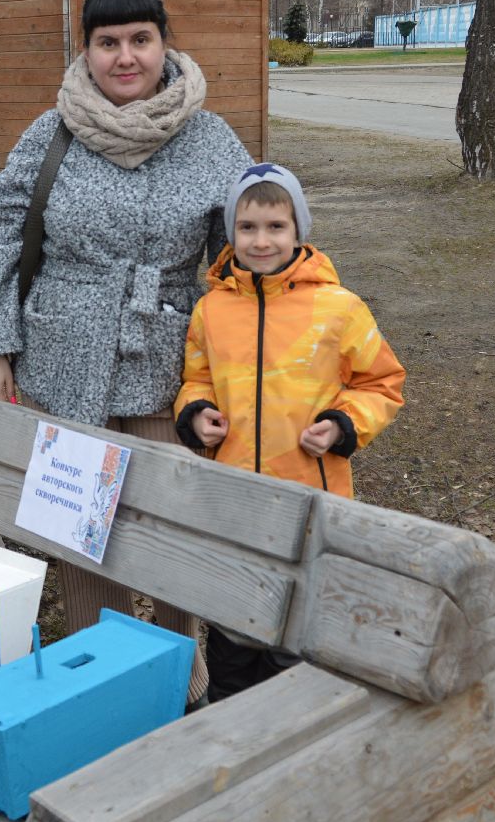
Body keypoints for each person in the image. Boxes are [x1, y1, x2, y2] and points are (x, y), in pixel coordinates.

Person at [0, 0, 253, 705]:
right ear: (86, 50)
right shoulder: (52, 131)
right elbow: (2, 229)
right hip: (67, 357)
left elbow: (240, 256)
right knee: (80, 526)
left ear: (164, 44)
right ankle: (101, 675)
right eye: (107, 43)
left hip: (172, 361)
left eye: (140, 40)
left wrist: (258, 358)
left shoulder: (212, 139)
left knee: (173, 517)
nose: (125, 57)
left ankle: (184, 675)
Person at [174, 163, 406, 700]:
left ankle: (293, 722)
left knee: (296, 628)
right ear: (230, 232)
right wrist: (197, 413)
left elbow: (382, 381)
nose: (261, 240)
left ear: (299, 230)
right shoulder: (211, 310)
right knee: (234, 622)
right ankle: (229, 722)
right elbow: (196, 376)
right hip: (234, 501)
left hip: (309, 498)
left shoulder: (338, 309)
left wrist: (343, 425)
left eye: (276, 226)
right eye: (247, 227)